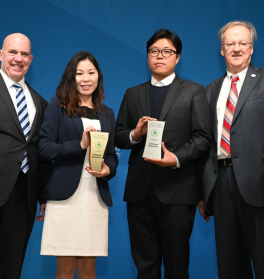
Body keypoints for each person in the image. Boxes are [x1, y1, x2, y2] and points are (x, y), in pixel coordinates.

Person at [115, 28, 212, 279]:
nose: (160, 56)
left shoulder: (193, 91)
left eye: (167, 51)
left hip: (178, 192)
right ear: (147, 55)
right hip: (139, 193)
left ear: (177, 57)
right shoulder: (132, 93)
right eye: (154, 51)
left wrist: (176, 158)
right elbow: (118, 136)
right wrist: (135, 135)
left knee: (176, 264)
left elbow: (203, 138)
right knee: (145, 265)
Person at [37, 51, 118, 279]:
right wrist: (79, 144)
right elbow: (45, 149)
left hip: (94, 196)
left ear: (98, 77)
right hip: (65, 198)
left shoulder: (107, 114)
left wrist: (107, 170)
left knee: (88, 269)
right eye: (79, 73)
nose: (85, 79)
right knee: (64, 268)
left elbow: (111, 155)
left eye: (91, 73)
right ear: (71, 78)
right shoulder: (57, 107)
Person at [0, 33, 51, 279]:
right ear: (1, 54)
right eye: (12, 52)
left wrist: (42, 194)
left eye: (24, 54)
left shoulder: (40, 103)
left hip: (23, 198)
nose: (18, 59)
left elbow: (41, 153)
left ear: (30, 59)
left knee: (10, 271)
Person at [198, 21, 264, 279]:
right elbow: (205, 144)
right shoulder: (209, 91)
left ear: (251, 49)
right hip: (221, 185)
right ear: (222, 50)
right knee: (230, 266)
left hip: (259, 184)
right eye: (230, 44)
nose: (236, 49)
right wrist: (203, 191)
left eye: (242, 43)